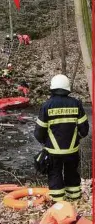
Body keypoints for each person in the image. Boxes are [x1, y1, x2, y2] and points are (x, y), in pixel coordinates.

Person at [34, 74, 89, 202]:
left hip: (53, 151)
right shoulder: (76, 104)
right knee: (72, 174)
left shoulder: (47, 105)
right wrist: (76, 138)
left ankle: (58, 204)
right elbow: (84, 130)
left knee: (55, 174)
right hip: (72, 150)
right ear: (67, 88)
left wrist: (45, 143)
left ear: (52, 88)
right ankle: (75, 200)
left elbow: (38, 132)